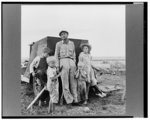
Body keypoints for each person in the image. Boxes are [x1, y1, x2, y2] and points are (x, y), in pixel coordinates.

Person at [54, 30, 78, 105]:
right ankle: (69, 101)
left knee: (73, 82)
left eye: (64, 34)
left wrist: (74, 63)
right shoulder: (58, 44)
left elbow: (74, 54)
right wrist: (57, 66)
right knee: (65, 82)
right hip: (63, 61)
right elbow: (56, 55)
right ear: (60, 37)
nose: (63, 35)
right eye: (61, 34)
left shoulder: (72, 43)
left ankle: (75, 99)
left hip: (71, 62)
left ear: (67, 35)